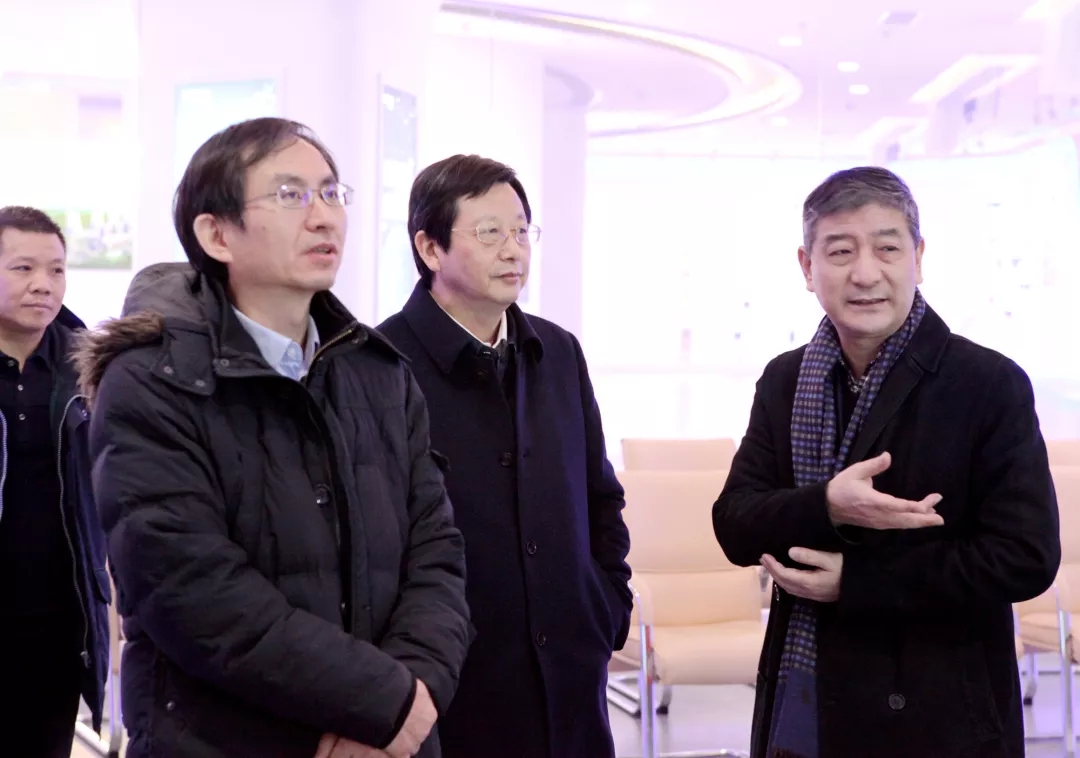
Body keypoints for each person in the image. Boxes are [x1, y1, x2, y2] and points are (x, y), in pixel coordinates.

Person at [72, 117, 471, 758]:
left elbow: (437, 552)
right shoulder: (152, 380)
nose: (324, 217)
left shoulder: (377, 371)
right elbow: (193, 593)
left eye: (332, 193)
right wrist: (382, 704)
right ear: (216, 234)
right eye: (290, 195)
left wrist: (406, 706)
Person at [713, 166, 1060, 758]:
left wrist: (858, 581)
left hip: (939, 712)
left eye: (887, 248)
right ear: (807, 267)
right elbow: (735, 524)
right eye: (840, 251)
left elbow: (1025, 558)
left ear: (918, 258)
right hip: (806, 697)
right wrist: (828, 505)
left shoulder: (987, 383)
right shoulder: (785, 380)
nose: (865, 273)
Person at [377, 154, 632, 758]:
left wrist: (606, 605)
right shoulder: (379, 366)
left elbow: (599, 494)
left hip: (571, 674)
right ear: (430, 248)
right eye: (490, 232)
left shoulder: (557, 352)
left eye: (521, 230)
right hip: (452, 685)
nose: (513, 249)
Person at [0, 205, 110, 758]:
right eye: (23, 268)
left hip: (59, 623)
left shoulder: (90, 368)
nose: (43, 284)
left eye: (57, 269)